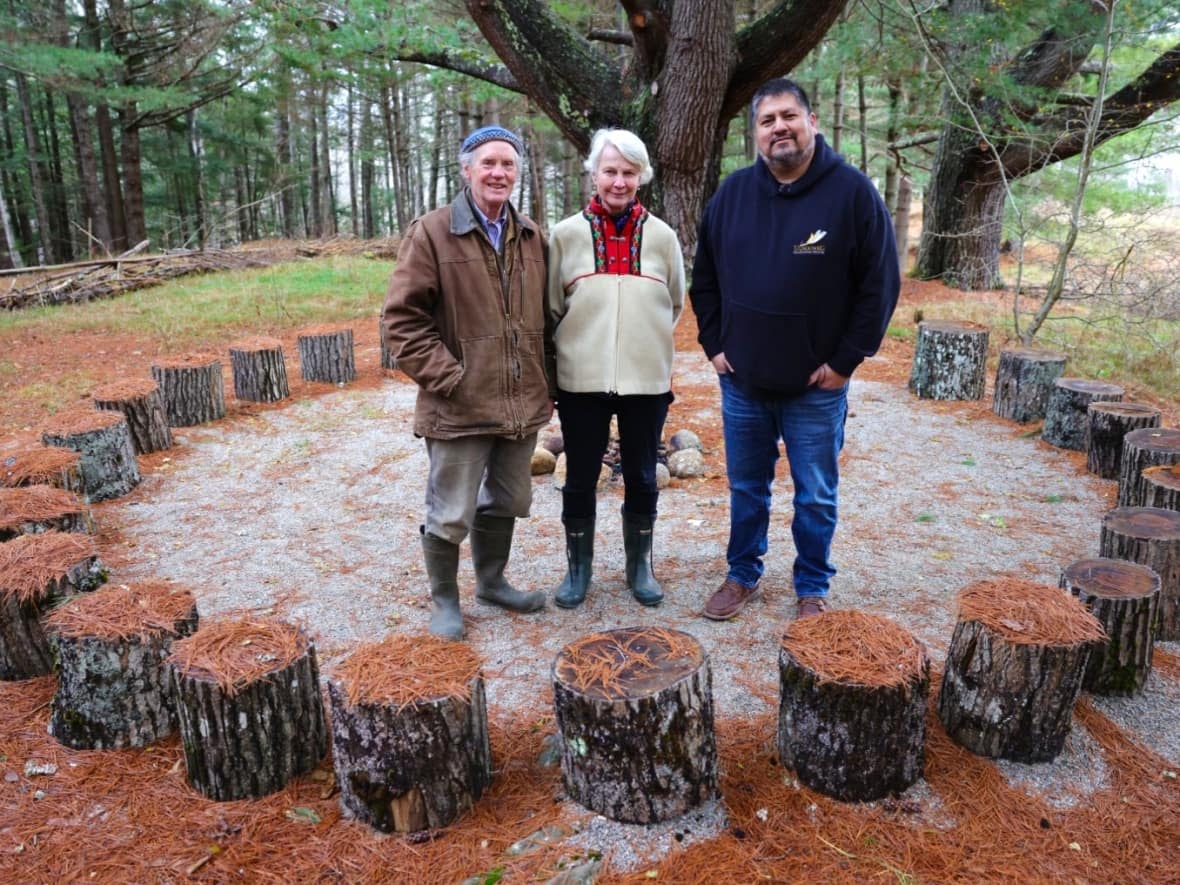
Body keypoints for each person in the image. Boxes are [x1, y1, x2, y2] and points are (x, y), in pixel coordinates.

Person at [689, 78, 900, 621]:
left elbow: (879, 285)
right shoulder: (731, 195)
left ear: (812, 122)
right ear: (756, 134)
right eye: (767, 120)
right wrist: (714, 344)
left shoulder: (852, 194)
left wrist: (845, 361)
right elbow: (704, 278)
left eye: (789, 116)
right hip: (744, 382)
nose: (779, 127)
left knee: (814, 495)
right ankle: (742, 575)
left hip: (815, 387)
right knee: (746, 489)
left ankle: (812, 586)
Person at [382, 125, 552, 639]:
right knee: (450, 511)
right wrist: (450, 377)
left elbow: (547, 318)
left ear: (517, 173)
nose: (498, 173)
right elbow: (401, 321)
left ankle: (493, 582)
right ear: (466, 170)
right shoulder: (432, 232)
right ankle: (445, 603)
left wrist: (546, 385)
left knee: (508, 500)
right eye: (488, 163)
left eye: (508, 165)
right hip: (458, 404)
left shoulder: (532, 236)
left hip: (519, 405)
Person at [546, 128, 685, 608]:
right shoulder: (564, 236)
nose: (619, 181)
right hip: (581, 381)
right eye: (610, 171)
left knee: (643, 475)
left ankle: (638, 566)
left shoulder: (664, 237)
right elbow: (551, 308)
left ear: (641, 177)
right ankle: (577, 569)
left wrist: (642, 346)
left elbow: (675, 304)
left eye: (628, 172)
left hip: (645, 383)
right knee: (580, 476)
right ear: (594, 173)